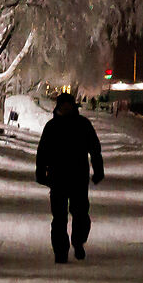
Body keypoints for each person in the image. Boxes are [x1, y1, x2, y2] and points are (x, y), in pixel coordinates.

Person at [34, 93, 105, 262]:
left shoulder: (83, 125)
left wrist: (98, 170)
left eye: (69, 105)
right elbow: (42, 151)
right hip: (57, 177)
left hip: (78, 177)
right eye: (63, 105)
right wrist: (40, 172)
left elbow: (95, 149)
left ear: (73, 106)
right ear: (58, 107)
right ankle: (60, 252)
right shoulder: (51, 126)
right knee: (59, 217)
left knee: (80, 214)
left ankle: (78, 241)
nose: (66, 108)